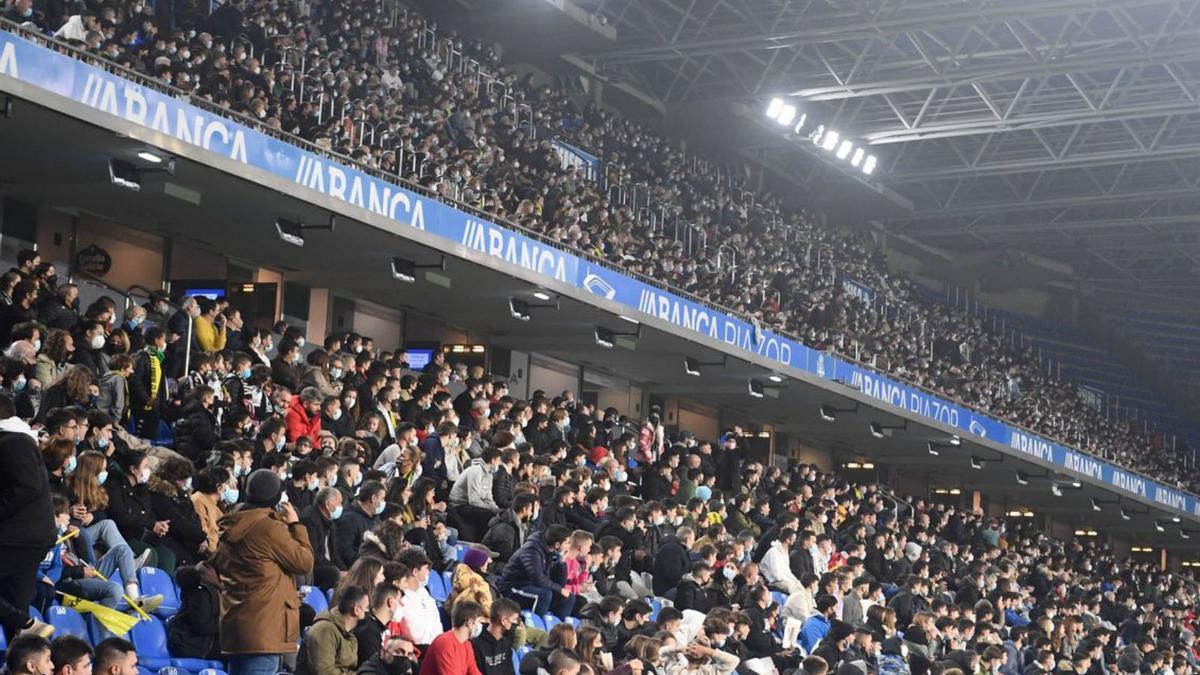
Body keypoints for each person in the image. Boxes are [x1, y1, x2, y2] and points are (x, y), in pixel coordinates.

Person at [213, 469, 314, 675]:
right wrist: (295, 524)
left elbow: (254, 573)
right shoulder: (269, 528)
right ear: (276, 497)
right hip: (263, 632)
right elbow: (304, 562)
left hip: (237, 629)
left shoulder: (233, 524)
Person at [0, 392, 56, 640]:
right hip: (29, 537)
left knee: (16, 608)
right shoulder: (20, 439)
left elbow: (27, 486)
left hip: (18, 537)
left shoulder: (12, 442)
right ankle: (25, 659)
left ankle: (24, 623)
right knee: (15, 599)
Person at [498, 524, 575, 620]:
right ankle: (536, 629)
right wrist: (559, 589)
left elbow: (561, 584)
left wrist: (561, 563)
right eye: (567, 543)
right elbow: (537, 579)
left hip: (531, 587)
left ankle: (559, 631)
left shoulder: (551, 552)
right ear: (557, 544)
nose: (569, 546)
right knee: (544, 594)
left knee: (568, 597)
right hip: (513, 587)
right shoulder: (531, 549)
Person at [297, 584, 368, 675]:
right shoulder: (323, 631)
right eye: (367, 607)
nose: (368, 611)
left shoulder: (349, 634)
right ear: (356, 610)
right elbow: (325, 672)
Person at [418, 600, 485, 675]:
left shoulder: (467, 645)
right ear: (470, 623)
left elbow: (474, 671)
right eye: (479, 622)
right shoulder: (445, 643)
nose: (481, 625)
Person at [355, 582, 403, 666]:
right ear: (390, 602)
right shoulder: (368, 632)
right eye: (399, 601)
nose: (402, 605)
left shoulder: (378, 627)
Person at [472, 598, 522, 675]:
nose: (517, 623)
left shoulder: (505, 643)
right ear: (504, 621)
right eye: (515, 619)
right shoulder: (476, 645)